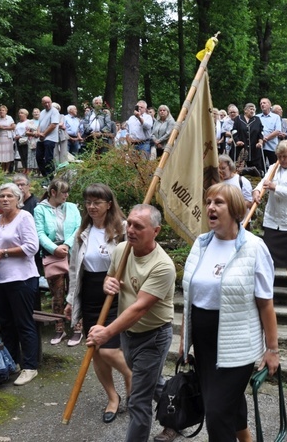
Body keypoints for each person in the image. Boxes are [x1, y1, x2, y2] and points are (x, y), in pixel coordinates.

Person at [180, 182, 279, 442]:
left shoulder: (254, 248)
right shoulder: (200, 244)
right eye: (208, 201)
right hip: (204, 345)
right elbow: (190, 296)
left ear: (234, 208)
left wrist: (273, 350)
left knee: (216, 414)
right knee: (227, 404)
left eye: (218, 202)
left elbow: (266, 304)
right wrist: (185, 341)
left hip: (237, 346)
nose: (211, 207)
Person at [86, 204, 175, 442]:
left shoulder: (163, 266)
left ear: (155, 231)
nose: (131, 230)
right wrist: (107, 284)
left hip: (153, 335)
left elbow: (139, 308)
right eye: (130, 224)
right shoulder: (122, 250)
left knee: (138, 399)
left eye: (139, 226)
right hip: (130, 335)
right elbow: (111, 278)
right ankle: (181, 409)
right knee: (153, 383)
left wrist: (106, 333)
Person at [64, 183, 132, 423]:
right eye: (88, 202)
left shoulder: (123, 229)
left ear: (109, 204)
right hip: (91, 294)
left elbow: (134, 263)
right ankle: (113, 397)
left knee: (110, 349)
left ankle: (135, 379)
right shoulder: (83, 232)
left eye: (97, 202)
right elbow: (74, 269)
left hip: (117, 295)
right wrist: (72, 299)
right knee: (96, 352)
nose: (92, 207)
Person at [0, 183, 40, 386]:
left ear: (18, 199)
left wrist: (4, 253)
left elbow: (32, 247)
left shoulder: (25, 217)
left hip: (21, 279)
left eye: (9, 196)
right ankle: (12, 362)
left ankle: (30, 366)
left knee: (23, 323)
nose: (5, 199)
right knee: (5, 324)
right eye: (1, 197)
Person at [252, 140, 287, 291]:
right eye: (279, 157)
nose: (282, 160)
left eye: (285, 156)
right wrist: (256, 191)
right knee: (268, 252)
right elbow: (263, 182)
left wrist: (275, 187)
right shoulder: (273, 168)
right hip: (273, 218)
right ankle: (268, 281)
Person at [34, 179, 82, 346]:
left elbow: (78, 226)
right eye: (64, 192)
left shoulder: (72, 207)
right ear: (53, 192)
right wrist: (54, 248)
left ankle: (77, 327)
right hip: (52, 254)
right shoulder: (40, 209)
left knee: (75, 289)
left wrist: (67, 245)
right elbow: (39, 232)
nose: (67, 196)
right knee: (57, 293)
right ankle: (59, 327)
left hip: (72, 251)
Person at [232, 103, 264, 175]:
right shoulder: (238, 119)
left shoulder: (257, 120)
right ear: (245, 110)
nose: (252, 111)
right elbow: (234, 131)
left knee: (256, 172)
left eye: (253, 109)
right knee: (239, 170)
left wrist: (260, 142)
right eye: (250, 109)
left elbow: (261, 133)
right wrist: (237, 141)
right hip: (241, 149)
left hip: (254, 150)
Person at [36, 96, 61, 179]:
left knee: (48, 158)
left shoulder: (54, 111)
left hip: (50, 138)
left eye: (48, 102)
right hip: (41, 138)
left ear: (51, 102)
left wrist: (44, 134)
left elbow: (53, 125)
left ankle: (50, 177)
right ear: (42, 103)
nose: (47, 104)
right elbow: (40, 124)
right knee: (38, 157)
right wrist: (39, 133)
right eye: (45, 103)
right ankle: (45, 176)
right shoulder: (42, 112)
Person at [258, 97, 282, 166]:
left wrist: (266, 138)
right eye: (261, 103)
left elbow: (277, 131)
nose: (262, 104)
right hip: (261, 147)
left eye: (264, 103)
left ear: (269, 105)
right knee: (261, 167)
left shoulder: (276, 117)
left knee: (274, 166)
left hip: (272, 147)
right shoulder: (257, 117)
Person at [0, 105, 16, 173]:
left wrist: (4, 128)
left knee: (7, 153)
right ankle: (2, 168)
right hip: (0, 137)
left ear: (6, 111)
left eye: (3, 110)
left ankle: (7, 169)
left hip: (7, 137)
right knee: (1, 153)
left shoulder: (9, 118)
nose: (1, 112)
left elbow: (13, 127)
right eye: (0, 110)